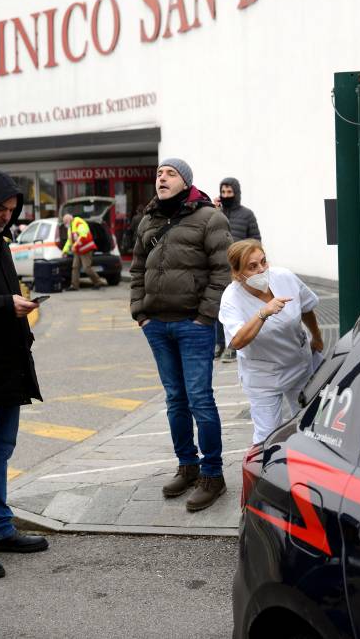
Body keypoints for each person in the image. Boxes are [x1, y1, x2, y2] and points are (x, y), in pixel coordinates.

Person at [130, 158, 232, 511]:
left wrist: (206, 317)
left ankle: (212, 474)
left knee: (200, 398)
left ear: (186, 181)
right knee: (175, 398)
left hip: (194, 324)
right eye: (158, 172)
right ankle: (187, 466)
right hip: (156, 324)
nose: (161, 177)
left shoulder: (210, 218)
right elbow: (137, 268)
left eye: (170, 173)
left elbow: (223, 271)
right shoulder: (149, 219)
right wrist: (139, 312)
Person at [0, 169, 48, 580]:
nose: (6, 215)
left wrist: (19, 306)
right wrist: (3, 305)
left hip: (7, 366)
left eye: (11, 209)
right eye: (0, 208)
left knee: (0, 452)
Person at [219, 239, 324, 444]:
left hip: (299, 363)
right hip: (265, 375)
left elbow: (306, 307)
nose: (261, 270)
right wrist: (263, 313)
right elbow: (237, 341)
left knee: (310, 424)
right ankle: (264, 471)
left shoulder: (284, 277)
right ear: (237, 273)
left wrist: (317, 337)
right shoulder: (231, 299)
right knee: (267, 436)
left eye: (263, 262)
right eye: (252, 267)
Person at [213, 177, 261, 362]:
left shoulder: (247, 215)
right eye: (223, 192)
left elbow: (256, 241)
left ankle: (233, 346)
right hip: (219, 268)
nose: (226, 196)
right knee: (220, 307)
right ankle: (219, 344)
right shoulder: (216, 213)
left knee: (239, 307)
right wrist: (213, 211)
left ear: (236, 193)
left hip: (240, 269)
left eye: (229, 192)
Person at [62, 213, 103, 290]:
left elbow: (83, 235)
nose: (65, 224)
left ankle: (98, 282)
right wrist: (64, 250)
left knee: (87, 268)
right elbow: (69, 241)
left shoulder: (78, 222)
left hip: (86, 249)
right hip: (78, 250)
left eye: (65, 222)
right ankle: (74, 286)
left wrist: (75, 245)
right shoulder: (70, 227)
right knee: (75, 267)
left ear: (69, 220)